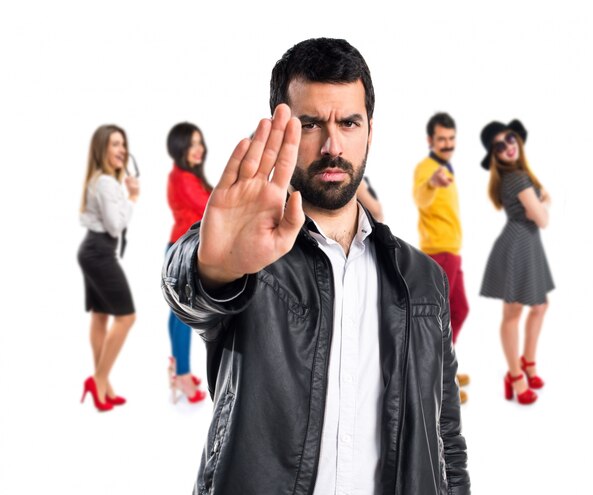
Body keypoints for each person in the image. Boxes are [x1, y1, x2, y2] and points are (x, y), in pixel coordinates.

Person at [162, 38, 470, 494]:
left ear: (370, 130)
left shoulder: (423, 279)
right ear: (282, 130)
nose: (332, 145)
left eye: (349, 122)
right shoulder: (251, 257)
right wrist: (212, 267)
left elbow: (445, 439)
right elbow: (189, 292)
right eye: (310, 124)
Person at [479, 119, 554, 405]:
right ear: (495, 155)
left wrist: (540, 198)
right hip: (518, 245)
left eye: (510, 139)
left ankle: (528, 362)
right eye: (499, 145)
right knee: (513, 314)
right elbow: (543, 220)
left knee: (539, 305)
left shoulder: (520, 176)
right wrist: (545, 201)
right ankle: (515, 375)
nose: (508, 146)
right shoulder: (518, 179)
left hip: (527, 243)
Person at [78, 124, 139, 412]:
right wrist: (133, 198)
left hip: (92, 249)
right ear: (102, 148)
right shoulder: (106, 183)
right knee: (127, 317)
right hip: (99, 251)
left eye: (123, 144)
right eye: (115, 144)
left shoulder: (101, 180)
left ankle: (104, 384)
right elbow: (115, 227)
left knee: (101, 315)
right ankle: (98, 380)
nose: (122, 150)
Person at [412, 112, 470, 403]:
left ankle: (446, 368)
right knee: (440, 317)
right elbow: (421, 197)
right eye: (441, 139)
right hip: (438, 251)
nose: (447, 144)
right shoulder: (428, 169)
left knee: (459, 310)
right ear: (430, 141)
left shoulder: (447, 167)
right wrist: (432, 184)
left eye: (451, 138)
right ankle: (438, 382)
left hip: (452, 250)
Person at [165, 122, 211, 404]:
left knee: (176, 314)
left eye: (200, 142)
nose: (199, 149)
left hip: (180, 248)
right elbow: (210, 208)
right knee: (183, 315)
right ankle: (181, 374)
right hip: (182, 252)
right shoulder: (182, 178)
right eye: (192, 144)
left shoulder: (188, 176)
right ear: (179, 147)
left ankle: (176, 364)